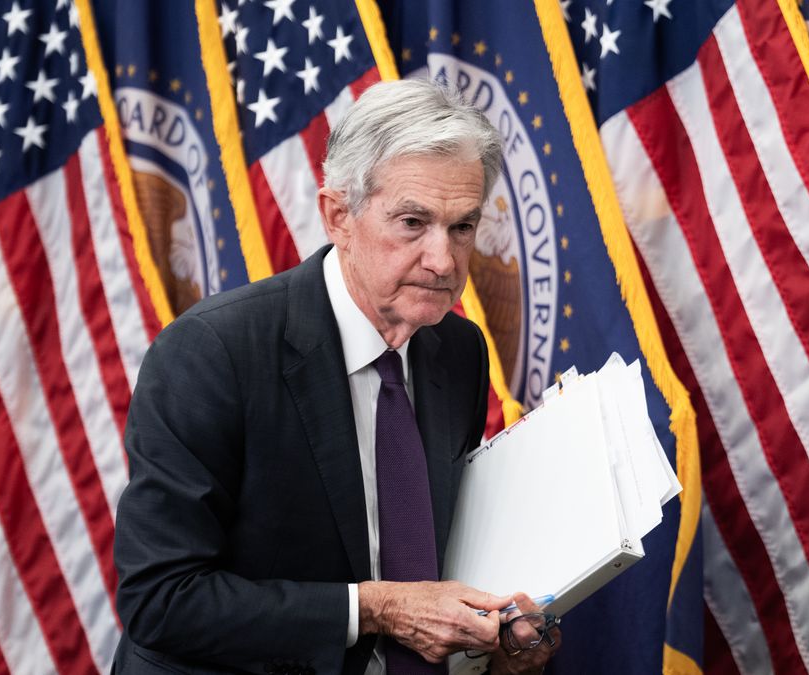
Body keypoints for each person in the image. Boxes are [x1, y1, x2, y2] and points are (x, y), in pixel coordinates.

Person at [111, 79, 560, 675]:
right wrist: (376, 608)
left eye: (462, 227)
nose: (444, 261)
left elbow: (436, 554)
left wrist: (497, 635)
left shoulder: (459, 350)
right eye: (412, 223)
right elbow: (161, 601)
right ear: (338, 215)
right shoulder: (211, 352)